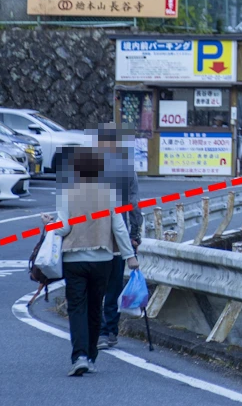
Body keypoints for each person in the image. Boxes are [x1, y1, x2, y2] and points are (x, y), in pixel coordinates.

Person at [45, 148, 137, 377]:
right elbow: (119, 228)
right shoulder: (108, 193)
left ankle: (80, 356)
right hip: (103, 259)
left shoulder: (67, 193)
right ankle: (92, 357)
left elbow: (64, 227)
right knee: (96, 308)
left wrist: (49, 224)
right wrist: (129, 256)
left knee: (77, 307)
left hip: (74, 259)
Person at [96, 126, 142, 350]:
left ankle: (102, 330)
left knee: (97, 287)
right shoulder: (127, 172)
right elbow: (134, 207)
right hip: (117, 240)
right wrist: (135, 236)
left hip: (94, 239)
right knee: (112, 288)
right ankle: (108, 331)